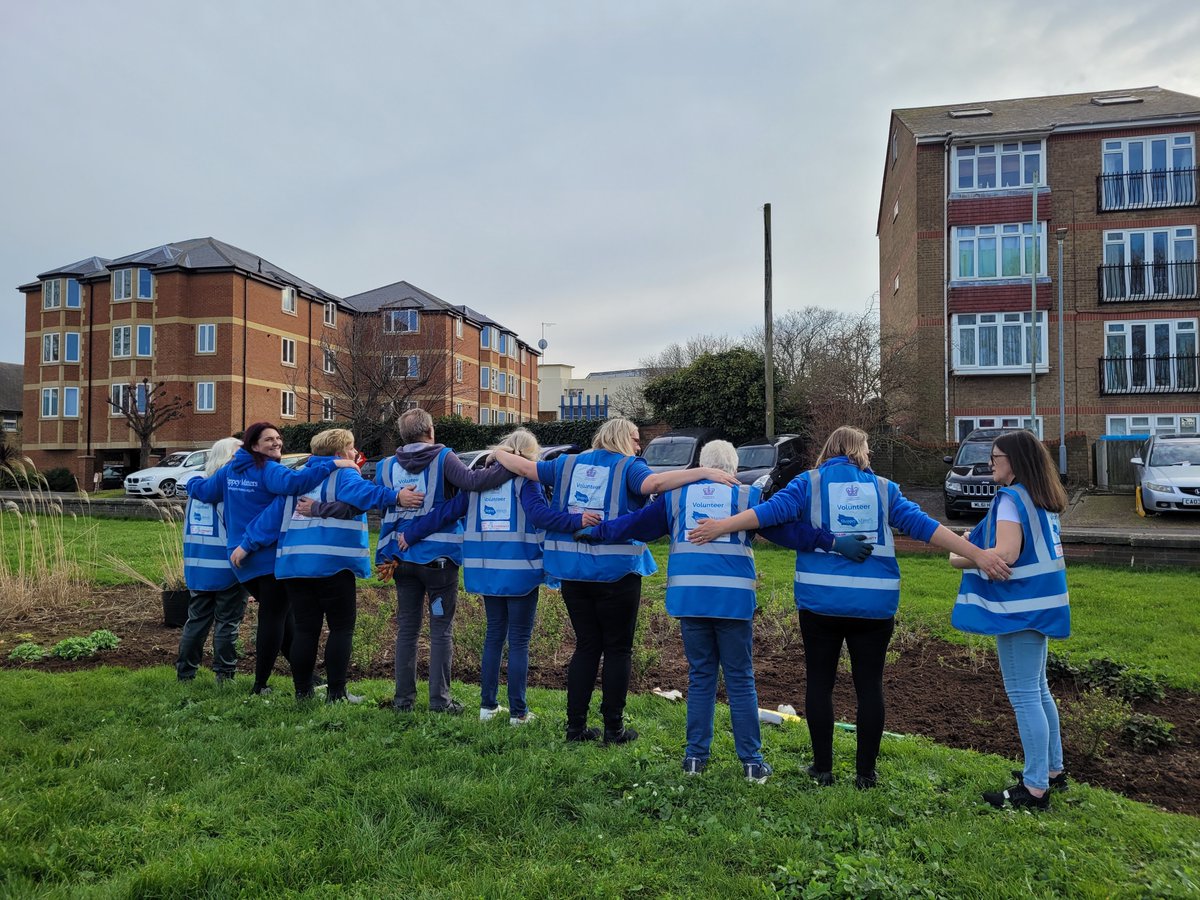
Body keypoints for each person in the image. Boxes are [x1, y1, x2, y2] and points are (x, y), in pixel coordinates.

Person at [690, 426, 1012, 789]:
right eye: (868, 450)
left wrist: (722, 525)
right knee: (870, 686)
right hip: (874, 604)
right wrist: (978, 554)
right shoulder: (884, 489)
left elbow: (767, 515)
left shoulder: (808, 483)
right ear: (857, 451)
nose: (870, 455)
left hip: (820, 603)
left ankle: (822, 769)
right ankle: (865, 774)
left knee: (820, 684)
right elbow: (926, 527)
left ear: (830, 449)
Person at [575, 439, 873, 782]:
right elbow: (791, 531)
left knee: (700, 678)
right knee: (740, 680)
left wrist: (596, 532)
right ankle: (751, 763)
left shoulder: (676, 497)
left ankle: (694, 760)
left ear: (703, 465)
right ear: (733, 470)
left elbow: (634, 525)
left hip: (690, 599)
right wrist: (832, 542)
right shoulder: (747, 498)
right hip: (733, 601)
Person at [492, 417, 739, 745]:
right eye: (636, 439)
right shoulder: (629, 467)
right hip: (617, 573)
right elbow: (654, 486)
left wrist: (497, 452)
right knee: (618, 650)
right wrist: (703, 472)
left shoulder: (566, 464)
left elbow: (523, 468)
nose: (639, 446)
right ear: (623, 439)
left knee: (586, 646)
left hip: (572, 573)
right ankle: (613, 729)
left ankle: (575, 727)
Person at [397, 428, 600, 724]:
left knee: (494, 637)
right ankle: (518, 712)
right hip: (521, 573)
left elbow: (446, 513)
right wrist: (577, 520)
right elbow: (541, 517)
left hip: (487, 573)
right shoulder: (526, 482)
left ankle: (487, 707)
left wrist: (411, 534)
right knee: (518, 641)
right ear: (531, 455)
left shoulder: (478, 483)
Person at [189, 422, 357, 696]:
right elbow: (296, 483)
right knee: (275, 617)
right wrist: (335, 464)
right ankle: (261, 685)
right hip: (265, 553)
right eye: (269, 439)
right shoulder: (269, 469)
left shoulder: (231, 471)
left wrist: (192, 480)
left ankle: (305, 680)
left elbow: (205, 492)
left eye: (278, 438)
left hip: (241, 560)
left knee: (284, 617)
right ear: (253, 445)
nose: (276, 443)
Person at [949, 429, 1070, 811]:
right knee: (1039, 689)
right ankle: (1051, 770)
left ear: (1014, 462)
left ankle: (1035, 789)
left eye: (995, 458)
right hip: (1043, 604)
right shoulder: (1042, 498)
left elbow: (1005, 554)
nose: (990, 465)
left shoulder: (1009, 498)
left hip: (1018, 608)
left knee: (1023, 695)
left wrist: (961, 554)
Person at [240, 428, 403, 703]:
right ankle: (336, 693)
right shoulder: (345, 473)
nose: (355, 454)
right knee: (341, 628)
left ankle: (302, 692)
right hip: (333, 564)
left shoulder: (298, 477)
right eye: (351, 449)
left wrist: (246, 544)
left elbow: (272, 516)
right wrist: (396, 496)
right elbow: (366, 494)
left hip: (295, 565)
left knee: (305, 629)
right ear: (340, 452)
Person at [376, 408, 514, 714]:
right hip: (438, 561)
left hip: (400, 561)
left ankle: (403, 702)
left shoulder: (385, 466)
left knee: (407, 630)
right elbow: (472, 483)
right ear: (431, 430)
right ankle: (440, 702)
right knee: (441, 630)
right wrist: (512, 464)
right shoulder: (443, 457)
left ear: (403, 434)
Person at [175, 437, 247, 684]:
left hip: (197, 568)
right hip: (228, 570)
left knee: (196, 622)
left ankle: (185, 674)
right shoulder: (231, 491)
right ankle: (224, 675)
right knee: (227, 623)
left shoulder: (197, 491)